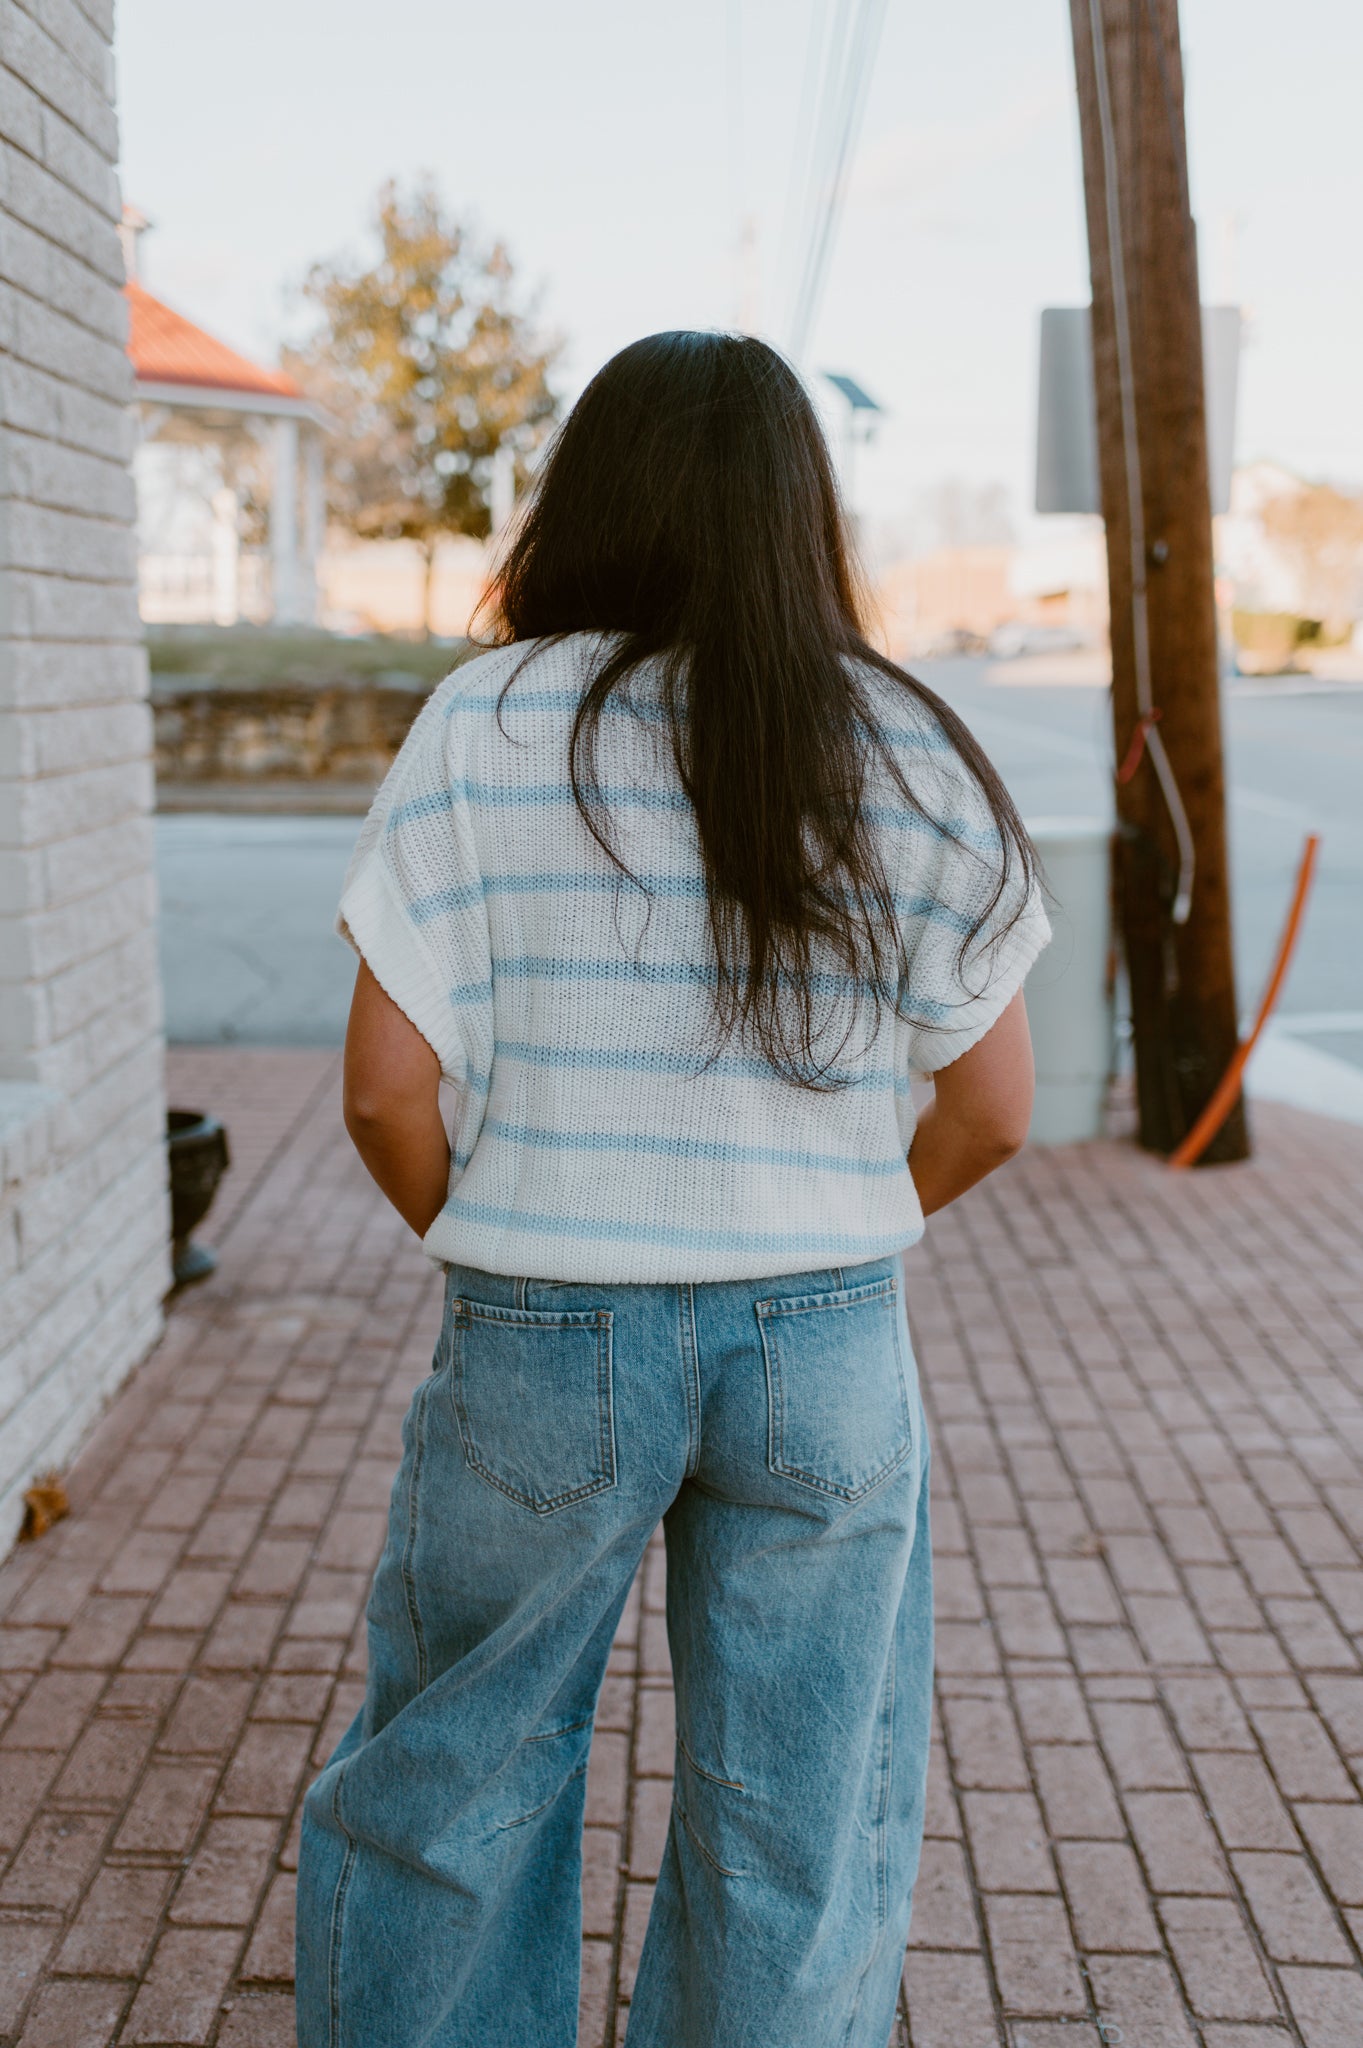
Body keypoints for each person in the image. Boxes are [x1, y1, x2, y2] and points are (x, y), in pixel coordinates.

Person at [295, 330, 1049, 2048]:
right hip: (827, 1346)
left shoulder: (486, 720)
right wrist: (840, 1233)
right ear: (805, 514)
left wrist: (499, 1242)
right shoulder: (906, 744)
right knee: (798, 1821)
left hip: (543, 1328)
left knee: (452, 1787)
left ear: (594, 495)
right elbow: (994, 1106)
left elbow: (382, 1092)